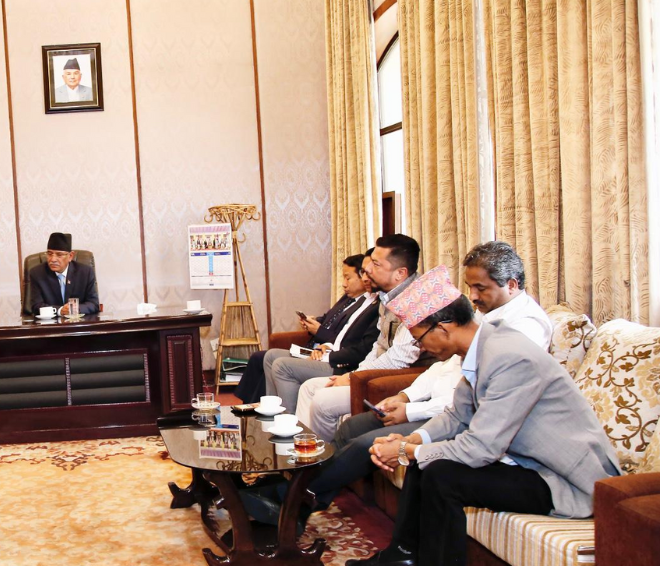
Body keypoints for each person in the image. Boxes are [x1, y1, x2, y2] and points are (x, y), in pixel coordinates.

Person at [242, 243, 554, 526]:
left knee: (370, 444)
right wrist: (405, 396)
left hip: (472, 422)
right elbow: (444, 370)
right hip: (447, 409)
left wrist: (411, 424)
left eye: (480, 288)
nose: (472, 296)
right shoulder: (486, 317)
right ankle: (303, 499)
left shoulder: (523, 329)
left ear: (511, 285)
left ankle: (291, 498)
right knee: (352, 427)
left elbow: (478, 405)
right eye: (470, 287)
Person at [348, 266, 620, 566]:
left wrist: (405, 450)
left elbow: (481, 447)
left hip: (562, 477)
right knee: (426, 463)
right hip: (525, 463)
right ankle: (402, 556)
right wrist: (412, 439)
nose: (420, 346)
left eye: (419, 338)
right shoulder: (481, 348)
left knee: (441, 475)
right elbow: (457, 416)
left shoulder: (509, 356)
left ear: (443, 327)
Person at [266, 234, 433, 432]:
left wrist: (353, 377)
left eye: (376, 264)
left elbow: (398, 359)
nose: (367, 270)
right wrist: (355, 375)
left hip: (396, 381)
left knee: (322, 400)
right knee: (308, 388)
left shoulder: (417, 300)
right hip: (369, 373)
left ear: (400, 273)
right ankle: (301, 445)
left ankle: (321, 450)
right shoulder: (386, 296)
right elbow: (378, 346)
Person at [234, 253, 379, 403]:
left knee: (278, 364)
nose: (344, 284)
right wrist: (314, 324)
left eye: (348, 278)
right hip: (322, 350)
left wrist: (321, 336)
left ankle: (280, 411)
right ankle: (265, 407)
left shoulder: (373, 305)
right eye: (363, 273)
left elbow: (354, 345)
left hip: (336, 360)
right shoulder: (351, 299)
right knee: (268, 356)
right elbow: (331, 321)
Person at [28, 232, 100, 316]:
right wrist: (60, 310)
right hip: (50, 323)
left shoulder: (85, 272)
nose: (53, 259)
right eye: (50, 254)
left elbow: (94, 304)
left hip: (78, 322)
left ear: (70, 256)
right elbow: (36, 306)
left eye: (59, 255)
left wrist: (75, 309)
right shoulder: (37, 273)